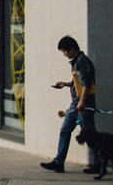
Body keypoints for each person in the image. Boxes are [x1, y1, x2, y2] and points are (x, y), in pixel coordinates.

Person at [39, 34, 98, 174]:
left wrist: (82, 102)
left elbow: (88, 83)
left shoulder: (83, 61)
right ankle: (59, 162)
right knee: (65, 131)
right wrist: (65, 84)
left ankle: (99, 163)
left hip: (84, 105)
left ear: (72, 49)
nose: (64, 54)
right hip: (75, 104)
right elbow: (79, 82)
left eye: (65, 51)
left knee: (90, 135)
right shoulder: (76, 62)